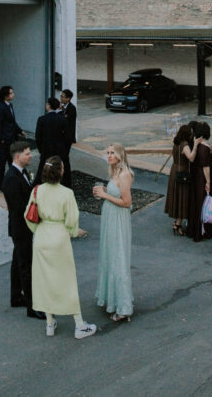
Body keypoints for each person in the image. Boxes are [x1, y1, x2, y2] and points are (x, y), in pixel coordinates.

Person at [24, 155, 97, 340]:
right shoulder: (67, 193)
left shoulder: (37, 190)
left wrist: (39, 230)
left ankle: (50, 323)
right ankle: (79, 325)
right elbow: (72, 220)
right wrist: (72, 232)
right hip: (59, 237)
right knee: (67, 281)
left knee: (44, 281)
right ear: (60, 172)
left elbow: (28, 216)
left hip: (41, 236)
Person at [1, 141, 45, 321]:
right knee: (26, 266)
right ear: (18, 156)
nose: (30, 156)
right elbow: (19, 207)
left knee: (17, 262)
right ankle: (32, 306)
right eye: (27, 153)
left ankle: (16, 296)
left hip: (21, 227)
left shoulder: (21, 173)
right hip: (21, 228)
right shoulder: (12, 178)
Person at [93, 143, 134, 322]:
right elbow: (114, 194)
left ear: (120, 156)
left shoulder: (125, 174)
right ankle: (112, 298)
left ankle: (124, 308)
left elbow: (127, 202)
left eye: (112, 153)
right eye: (108, 153)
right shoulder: (114, 171)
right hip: (110, 217)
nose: (109, 155)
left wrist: (105, 195)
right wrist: (104, 191)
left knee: (118, 258)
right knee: (109, 256)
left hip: (118, 219)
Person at [184, 121, 212, 241]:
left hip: (195, 177)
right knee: (204, 203)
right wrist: (208, 182)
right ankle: (204, 230)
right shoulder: (204, 147)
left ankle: (194, 229)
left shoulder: (195, 145)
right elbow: (206, 167)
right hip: (201, 178)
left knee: (196, 202)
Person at [164, 123, 195, 236]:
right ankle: (178, 224)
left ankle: (177, 222)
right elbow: (191, 158)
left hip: (174, 169)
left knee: (176, 197)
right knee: (183, 197)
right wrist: (196, 145)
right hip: (182, 171)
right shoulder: (185, 145)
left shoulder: (176, 143)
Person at [0, 86, 25, 190]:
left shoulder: (10, 105)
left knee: (11, 161)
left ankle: (11, 182)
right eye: (11, 93)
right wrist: (1, 139)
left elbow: (12, 122)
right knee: (2, 162)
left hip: (11, 138)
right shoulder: (0, 108)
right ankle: (0, 184)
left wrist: (20, 131)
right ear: (6, 96)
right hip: (5, 139)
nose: (13, 95)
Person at [34, 97, 68, 185]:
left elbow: (38, 137)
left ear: (48, 106)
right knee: (59, 170)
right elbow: (66, 137)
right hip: (59, 151)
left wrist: (41, 150)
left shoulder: (42, 119)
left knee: (42, 172)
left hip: (46, 150)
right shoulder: (62, 119)